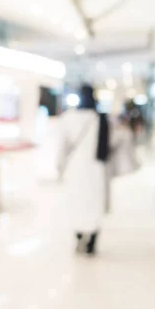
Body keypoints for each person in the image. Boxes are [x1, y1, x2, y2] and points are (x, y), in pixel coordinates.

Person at [58, 84, 109, 255]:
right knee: (94, 203)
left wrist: (59, 167)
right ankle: (92, 240)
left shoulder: (68, 117)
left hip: (75, 167)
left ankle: (79, 236)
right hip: (96, 168)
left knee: (77, 201)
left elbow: (62, 147)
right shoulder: (100, 118)